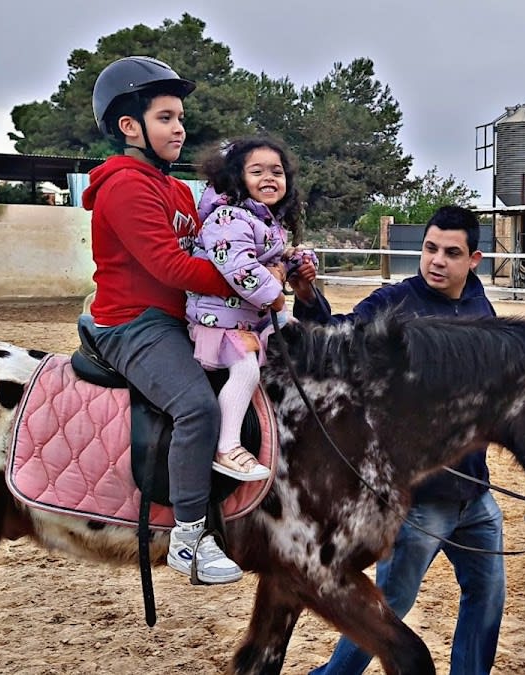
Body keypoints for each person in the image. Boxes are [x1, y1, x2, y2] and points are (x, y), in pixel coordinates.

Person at [297, 206, 506, 675]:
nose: (436, 260)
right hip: (419, 500)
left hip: (475, 494)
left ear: (474, 259)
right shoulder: (396, 303)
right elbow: (334, 335)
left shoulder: (479, 306)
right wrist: (308, 295)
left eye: (451, 253)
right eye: (430, 248)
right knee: (389, 607)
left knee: (488, 596)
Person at [80, 55, 243, 585]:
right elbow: (172, 266)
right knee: (196, 406)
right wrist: (247, 285)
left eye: (180, 117)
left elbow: (211, 249)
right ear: (130, 127)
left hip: (180, 318)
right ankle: (189, 537)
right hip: (135, 323)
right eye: (166, 118)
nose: (180, 128)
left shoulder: (175, 190)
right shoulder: (125, 186)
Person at [186, 136, 317, 482]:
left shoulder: (265, 220)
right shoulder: (228, 218)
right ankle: (226, 446)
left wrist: (297, 260)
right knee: (246, 371)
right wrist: (275, 292)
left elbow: (270, 258)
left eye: (277, 171)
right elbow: (241, 270)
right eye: (256, 171)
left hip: (248, 318)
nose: (269, 178)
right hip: (221, 322)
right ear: (237, 178)